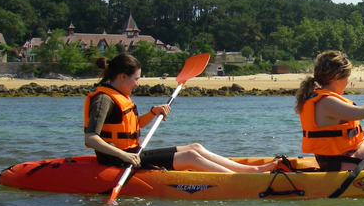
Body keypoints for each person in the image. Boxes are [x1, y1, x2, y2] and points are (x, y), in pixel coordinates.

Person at [84, 53, 278, 173]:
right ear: (122, 76)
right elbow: (91, 138)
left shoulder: (119, 95)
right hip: (118, 158)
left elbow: (134, 125)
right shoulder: (103, 99)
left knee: (195, 147)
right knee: (190, 157)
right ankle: (238, 181)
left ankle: (252, 170)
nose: (138, 83)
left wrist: (153, 112)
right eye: (136, 79)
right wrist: (123, 156)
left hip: (132, 152)